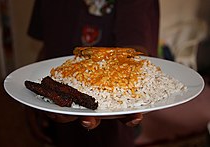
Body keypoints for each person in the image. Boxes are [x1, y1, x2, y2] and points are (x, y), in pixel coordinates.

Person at [26, 0, 159, 147]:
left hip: (112, 126)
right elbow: (47, 44)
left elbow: (135, 49)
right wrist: (32, 99)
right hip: (56, 117)